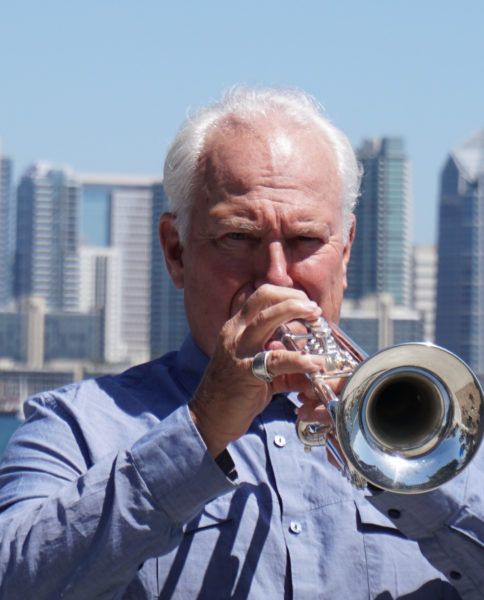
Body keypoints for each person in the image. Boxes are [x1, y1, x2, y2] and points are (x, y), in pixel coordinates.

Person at [1, 86, 484, 600]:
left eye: (305, 240)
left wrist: (409, 472)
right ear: (175, 252)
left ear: (346, 253)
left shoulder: (448, 427)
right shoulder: (74, 428)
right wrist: (199, 430)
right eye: (238, 237)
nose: (276, 278)